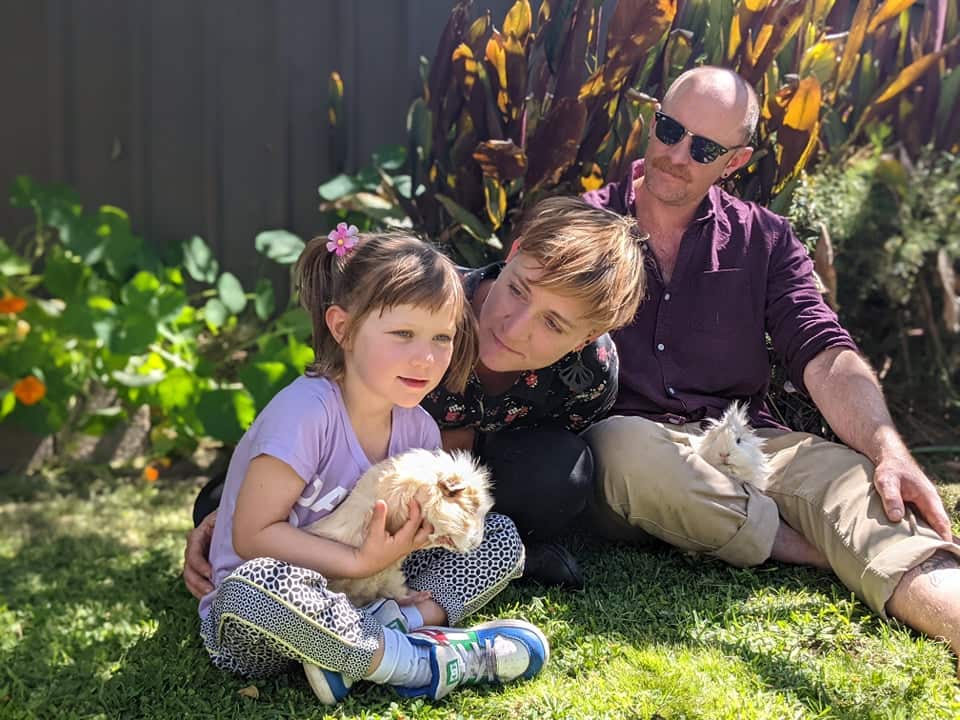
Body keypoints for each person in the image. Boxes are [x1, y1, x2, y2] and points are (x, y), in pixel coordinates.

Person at [580, 65, 960, 672]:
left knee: (859, 484)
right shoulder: (581, 225)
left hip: (746, 440)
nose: (677, 154)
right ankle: (803, 547)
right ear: (651, 121)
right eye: (669, 129)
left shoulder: (766, 238)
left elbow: (823, 349)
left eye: (703, 147)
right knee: (621, 449)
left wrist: (888, 449)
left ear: (734, 161)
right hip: (635, 446)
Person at [185, 196, 648, 591]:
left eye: (553, 323)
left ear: (589, 337)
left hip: (457, 489)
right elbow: (317, 413)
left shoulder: (590, 375)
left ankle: (474, 566)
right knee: (225, 502)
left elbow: (548, 455)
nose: (515, 324)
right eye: (519, 290)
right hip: (344, 476)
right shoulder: (422, 300)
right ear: (515, 250)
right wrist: (231, 521)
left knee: (562, 474)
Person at [196, 228, 548, 705]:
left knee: (499, 538)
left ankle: (377, 639)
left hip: (368, 596)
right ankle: (418, 663)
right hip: (269, 622)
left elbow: (403, 539)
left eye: (441, 337)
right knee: (252, 589)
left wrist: (423, 536)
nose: (425, 357)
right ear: (342, 328)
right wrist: (362, 562)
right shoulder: (304, 414)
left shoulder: (419, 429)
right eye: (403, 333)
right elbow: (253, 537)